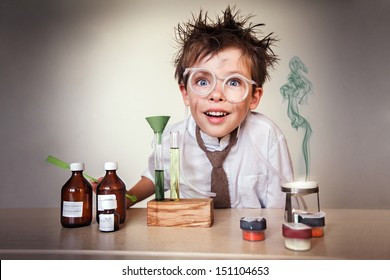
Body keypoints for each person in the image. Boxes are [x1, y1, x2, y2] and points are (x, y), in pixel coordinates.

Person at [93, 6, 293, 208]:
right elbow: (156, 177)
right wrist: (122, 198)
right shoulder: (174, 137)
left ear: (253, 97)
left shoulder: (266, 135)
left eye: (233, 82)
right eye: (203, 82)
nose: (216, 95)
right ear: (185, 93)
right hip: (191, 234)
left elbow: (281, 204)